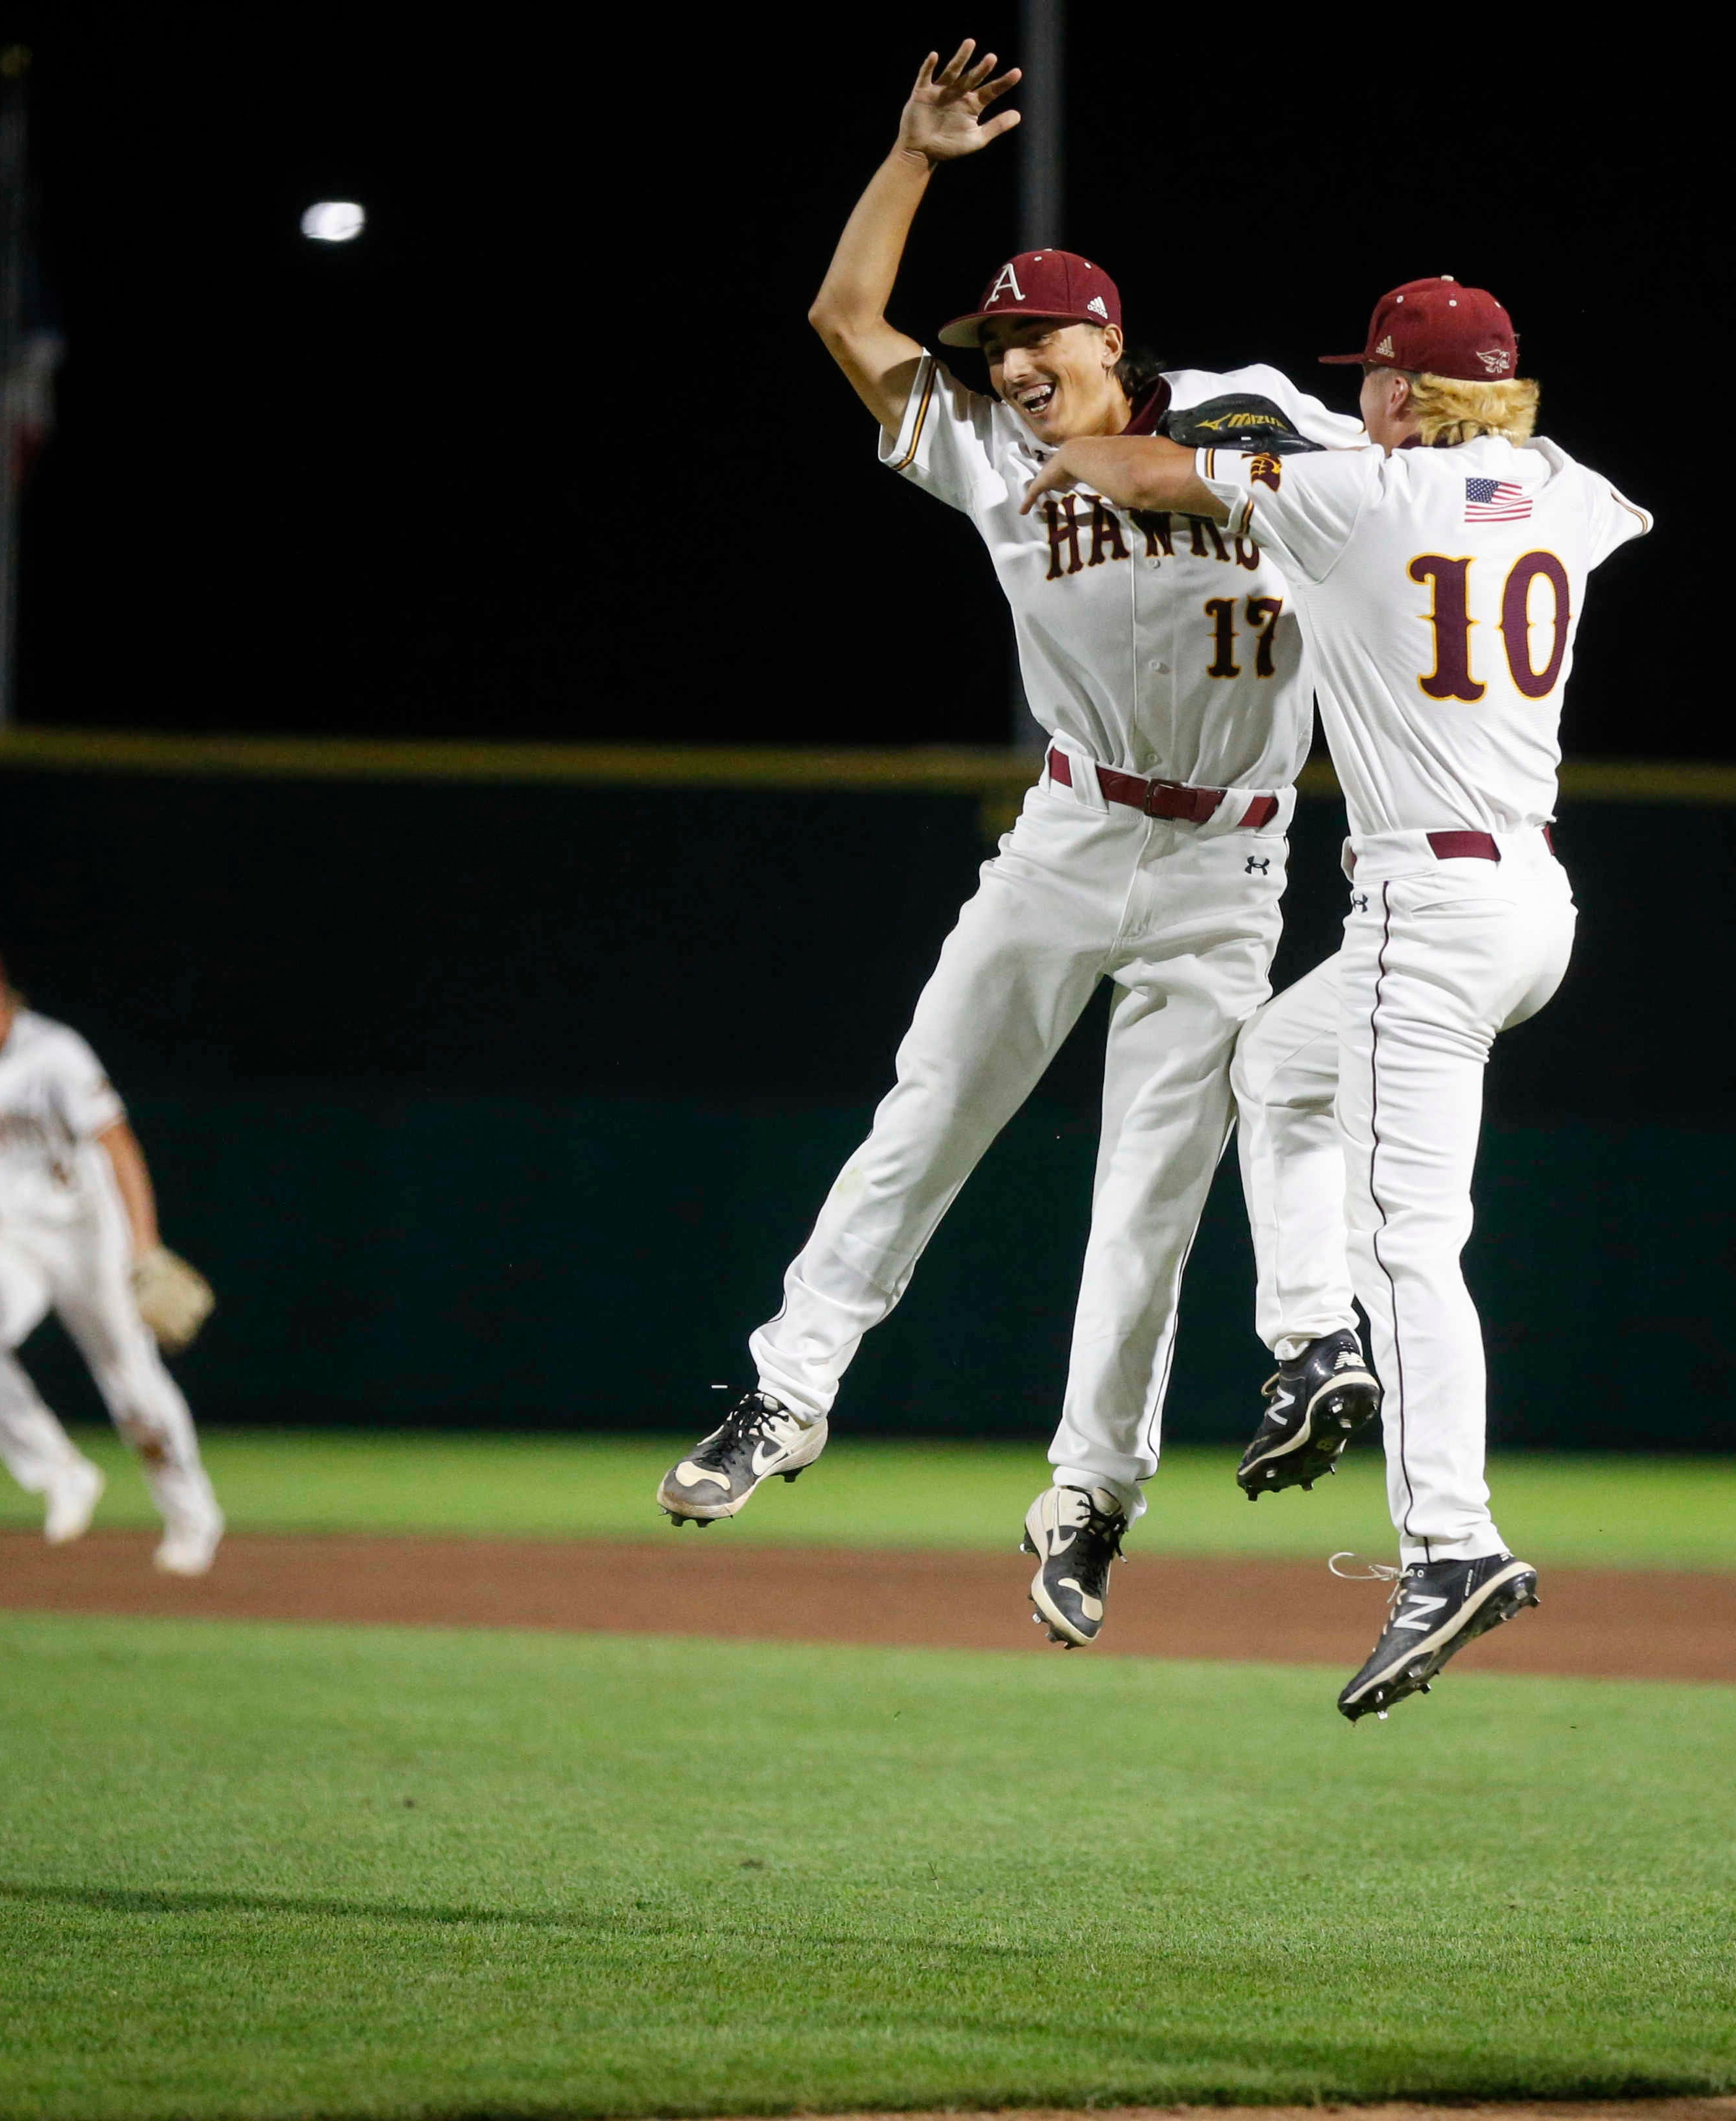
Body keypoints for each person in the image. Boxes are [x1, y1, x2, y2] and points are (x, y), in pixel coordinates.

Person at [652, 42, 1364, 1653]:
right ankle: (787, 1391)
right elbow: (844, 320)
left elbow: (1386, 497)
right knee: (933, 1110)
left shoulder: (1263, 414)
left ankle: (1091, 1499)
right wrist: (912, 156)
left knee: (1149, 1205)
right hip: (1070, 826)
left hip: (1229, 868)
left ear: (1106, 334)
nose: (1009, 365)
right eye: (993, 346)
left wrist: (1197, 474)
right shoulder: (987, 449)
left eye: (1032, 338)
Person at [1023, 276, 1651, 1717]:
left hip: (1427, 911)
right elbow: (1586, 510)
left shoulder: (1354, 495)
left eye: (1374, 375)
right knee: (1274, 1065)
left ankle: (1454, 1541)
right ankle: (1311, 1347)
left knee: (1414, 1243)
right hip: (1532, 903)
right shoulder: (1564, 486)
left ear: (1409, 399)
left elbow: (1130, 467)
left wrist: (1070, 425)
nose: (1358, 393)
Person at [0, 936, 225, 1576]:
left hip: (92, 1233)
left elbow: (119, 1145)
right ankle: (61, 1472)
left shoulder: (54, 1052)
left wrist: (144, 1246)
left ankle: (193, 1520)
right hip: (20, 1236)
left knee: (134, 1388)